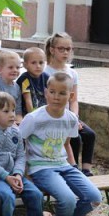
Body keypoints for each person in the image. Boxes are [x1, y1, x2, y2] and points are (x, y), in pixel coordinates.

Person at [19, 71, 102, 216]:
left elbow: (66, 145)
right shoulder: (34, 118)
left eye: (62, 93)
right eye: (52, 92)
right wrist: (24, 174)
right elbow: (19, 145)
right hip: (41, 168)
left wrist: (74, 168)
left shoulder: (71, 118)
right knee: (67, 199)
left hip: (63, 165)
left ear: (70, 96)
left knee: (94, 197)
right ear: (46, 92)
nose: (56, 97)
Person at [43, 33, 95, 175]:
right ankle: (73, 169)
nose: (65, 52)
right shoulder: (45, 73)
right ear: (52, 50)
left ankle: (86, 170)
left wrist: (74, 118)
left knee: (90, 135)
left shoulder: (72, 73)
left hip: (69, 115)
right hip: (55, 116)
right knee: (75, 138)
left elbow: (73, 99)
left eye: (68, 49)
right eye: (61, 49)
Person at [16, 46, 48, 114]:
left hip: (43, 111)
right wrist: (32, 117)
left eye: (41, 63)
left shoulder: (46, 77)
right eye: (33, 63)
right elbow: (28, 101)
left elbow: (49, 96)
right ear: (25, 65)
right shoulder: (24, 79)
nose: (38, 66)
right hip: (28, 113)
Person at [0, 49, 23, 118]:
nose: (15, 70)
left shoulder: (17, 87)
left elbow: (18, 110)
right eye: (10, 67)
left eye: (17, 67)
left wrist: (19, 119)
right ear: (0, 70)